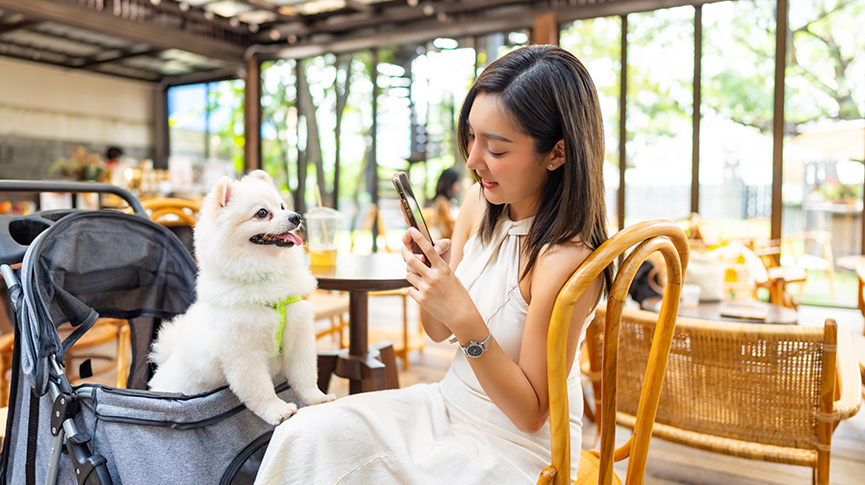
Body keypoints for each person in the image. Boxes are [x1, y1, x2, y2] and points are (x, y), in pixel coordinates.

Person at [254, 44, 613, 484]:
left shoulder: (564, 258)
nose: (474, 159)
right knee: (306, 433)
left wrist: (467, 319)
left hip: (516, 449)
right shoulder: (479, 204)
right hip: (444, 405)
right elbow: (437, 330)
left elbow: (531, 413)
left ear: (556, 154)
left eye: (496, 149)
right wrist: (431, 281)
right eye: (472, 136)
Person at [429, 167, 461, 239]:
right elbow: (449, 226)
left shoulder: (440, 200)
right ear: (451, 183)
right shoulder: (443, 203)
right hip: (443, 240)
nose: (458, 185)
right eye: (457, 181)